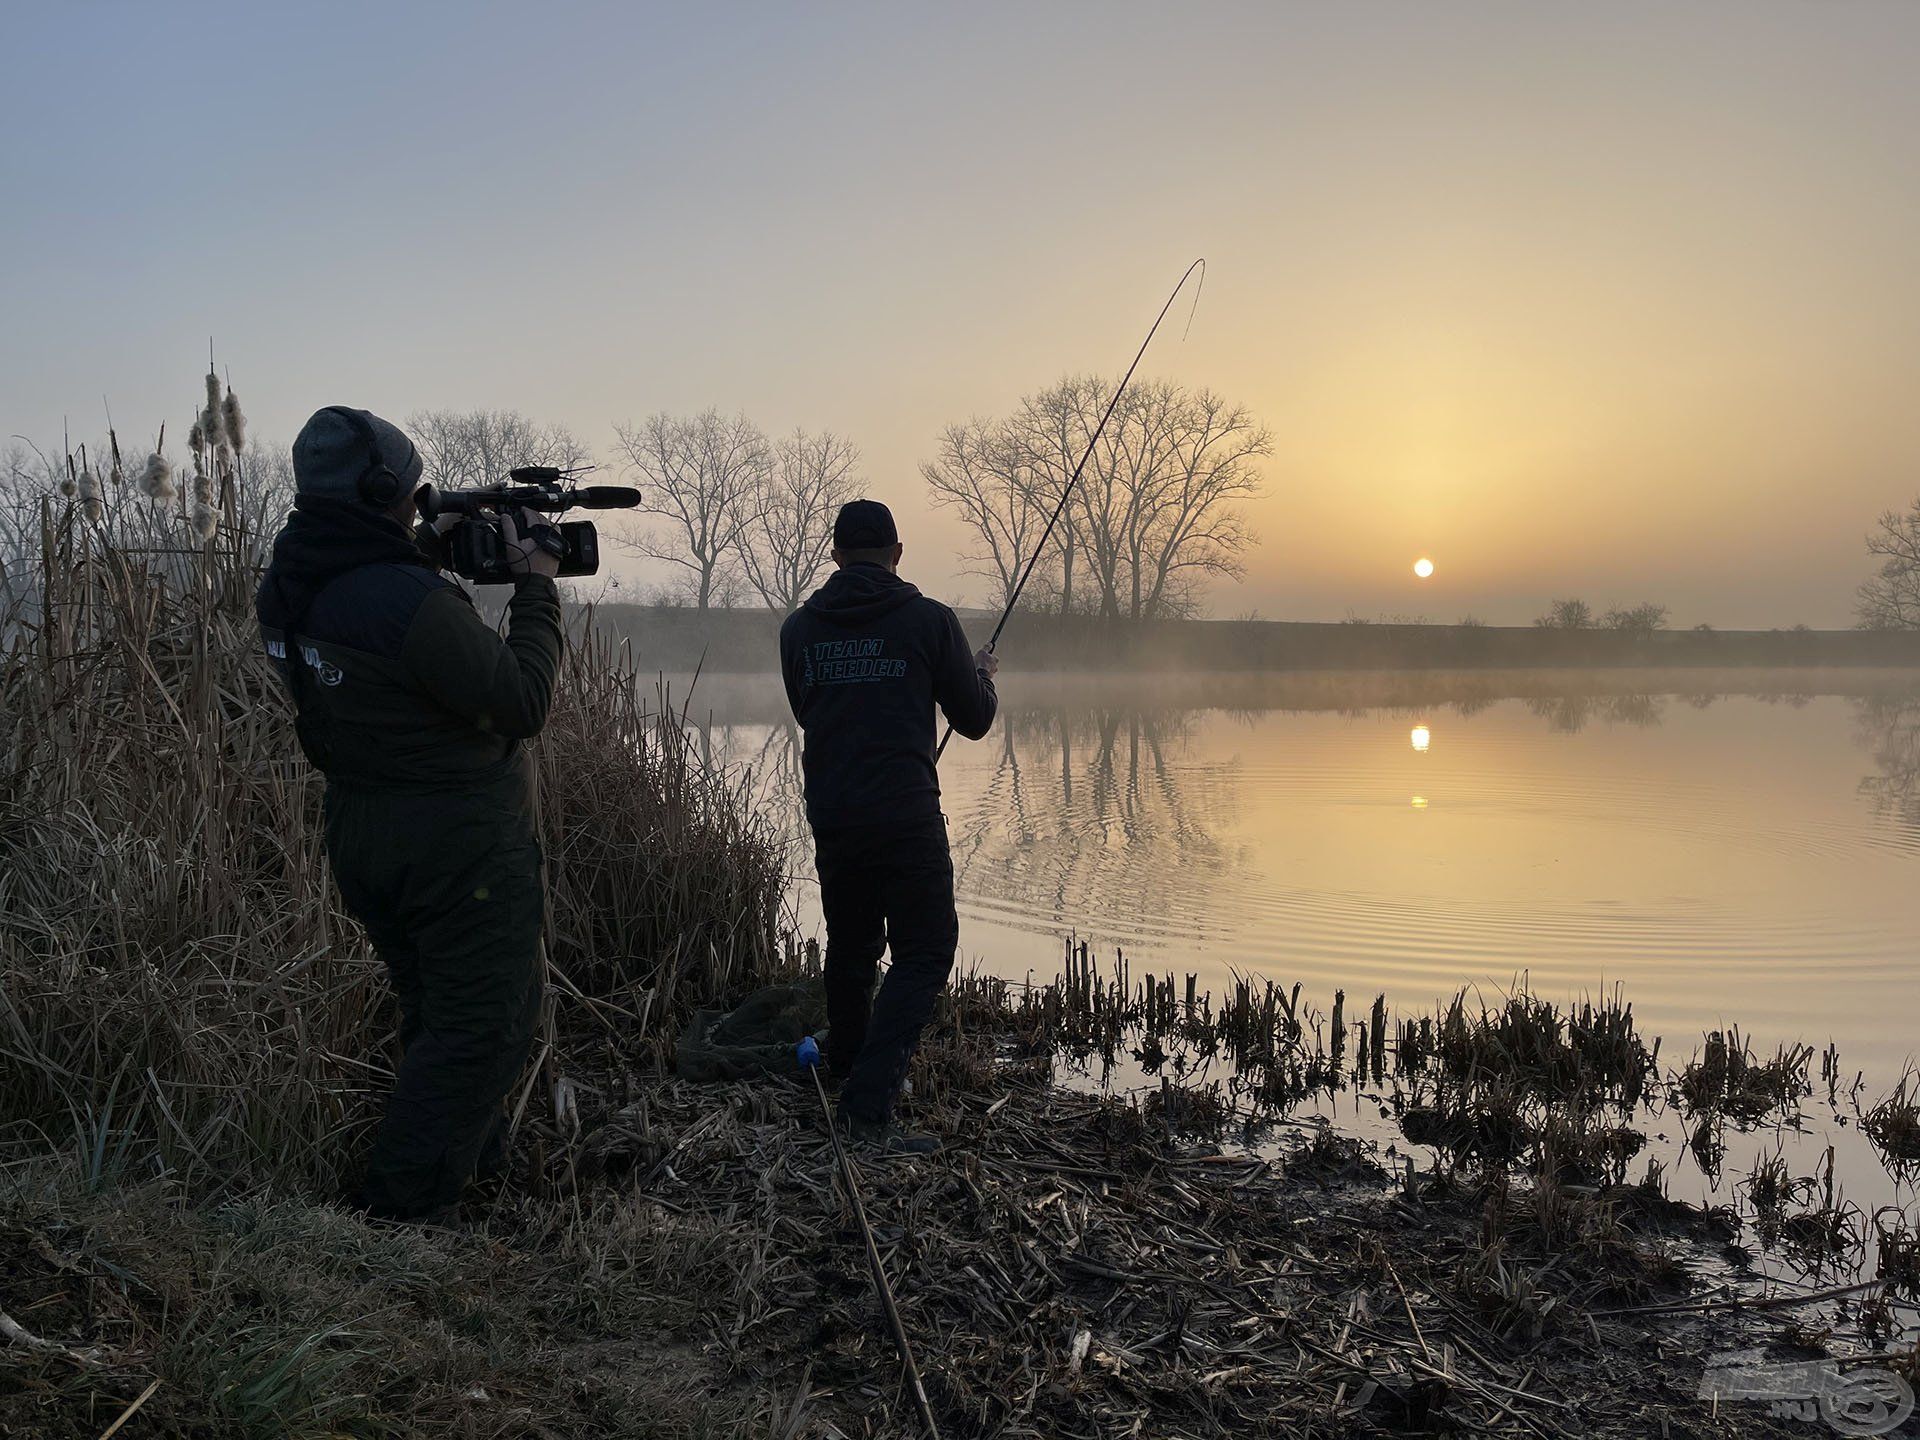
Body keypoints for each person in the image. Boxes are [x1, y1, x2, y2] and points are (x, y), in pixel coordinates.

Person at [256, 406, 565, 1220]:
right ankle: (397, 1224)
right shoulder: (409, 603)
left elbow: (369, 631)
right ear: (386, 487)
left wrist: (424, 549)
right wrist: (535, 584)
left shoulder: (292, 582)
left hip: (364, 833)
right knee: (484, 1028)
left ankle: (470, 1170)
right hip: (456, 850)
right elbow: (521, 700)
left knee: (438, 1011)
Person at [778, 499, 999, 1151]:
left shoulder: (797, 631)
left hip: (834, 812)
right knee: (926, 950)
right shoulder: (930, 621)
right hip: (904, 814)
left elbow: (805, 709)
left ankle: (846, 1057)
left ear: (837, 556)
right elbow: (976, 717)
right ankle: (866, 1107)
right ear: (898, 554)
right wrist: (984, 677)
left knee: (851, 944)